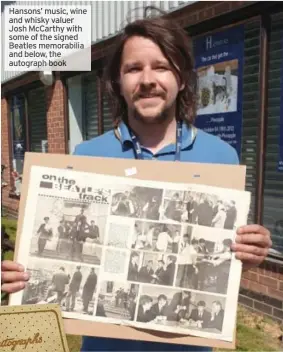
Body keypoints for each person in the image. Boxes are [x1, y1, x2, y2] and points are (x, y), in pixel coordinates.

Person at [1, 9, 272, 352]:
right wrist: (23, 276)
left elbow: (221, 261)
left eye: (161, 66)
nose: (147, 79)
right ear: (118, 82)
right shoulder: (86, 156)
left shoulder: (221, 157)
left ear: (183, 78)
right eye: (133, 68)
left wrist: (247, 255)